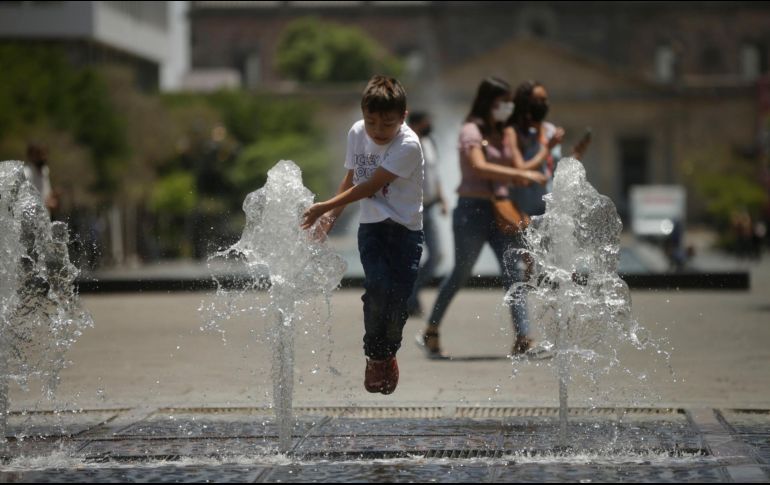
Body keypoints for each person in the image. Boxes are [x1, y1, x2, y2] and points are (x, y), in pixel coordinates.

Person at [301, 75, 424, 395]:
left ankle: (388, 353)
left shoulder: (408, 144)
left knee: (398, 302)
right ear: (363, 115)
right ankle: (374, 355)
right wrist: (330, 217)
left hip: (407, 232)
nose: (377, 131)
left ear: (403, 117)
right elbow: (352, 177)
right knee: (378, 287)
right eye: (371, 122)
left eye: (387, 124)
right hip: (372, 227)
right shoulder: (357, 133)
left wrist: (323, 206)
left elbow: (369, 186)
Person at [417, 77, 547, 359]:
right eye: (502, 102)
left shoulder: (506, 133)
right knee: (460, 273)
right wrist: (520, 174)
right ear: (488, 102)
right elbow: (479, 165)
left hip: (502, 209)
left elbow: (519, 165)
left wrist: (543, 146)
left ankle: (524, 338)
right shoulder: (470, 130)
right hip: (471, 210)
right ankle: (431, 330)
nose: (507, 107)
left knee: (514, 274)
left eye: (510, 102)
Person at [406, 111, 448, 317]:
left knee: (437, 255)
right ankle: (409, 300)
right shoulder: (406, 145)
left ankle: (410, 295)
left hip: (430, 206)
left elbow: (435, 174)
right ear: (415, 124)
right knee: (411, 256)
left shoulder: (430, 142)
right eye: (426, 122)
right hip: (413, 208)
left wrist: (443, 198)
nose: (429, 125)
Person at [23, 142, 58, 214]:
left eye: (45, 154)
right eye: (39, 154)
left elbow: (46, 195)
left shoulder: (45, 171)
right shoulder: (26, 174)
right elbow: (24, 203)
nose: (43, 157)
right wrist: (45, 204)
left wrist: (52, 195)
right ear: (30, 156)